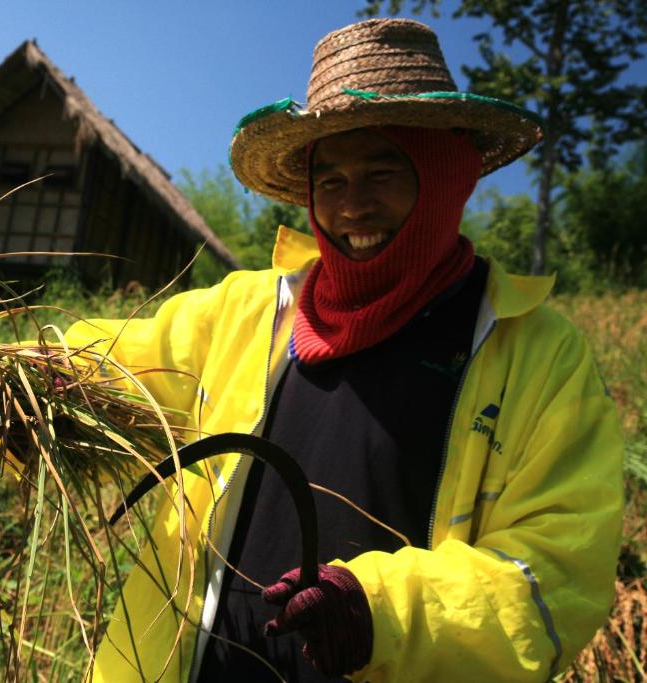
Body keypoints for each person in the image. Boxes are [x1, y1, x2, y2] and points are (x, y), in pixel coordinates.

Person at [67, 18, 624, 682]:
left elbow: (556, 568)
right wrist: (27, 380)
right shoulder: (248, 311)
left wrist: (378, 613)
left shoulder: (533, 354)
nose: (352, 207)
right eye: (329, 181)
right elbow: (110, 366)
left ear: (448, 177)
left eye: (382, 173)